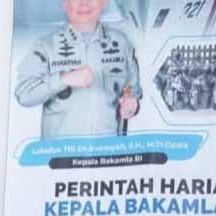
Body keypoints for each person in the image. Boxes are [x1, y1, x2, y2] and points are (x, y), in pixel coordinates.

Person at [15, 0, 141, 139]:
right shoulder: (46, 46)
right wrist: (63, 79)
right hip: (62, 150)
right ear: (65, 3)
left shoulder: (122, 43)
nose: (84, 3)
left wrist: (131, 102)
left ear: (103, 3)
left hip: (106, 149)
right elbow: (24, 95)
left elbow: (131, 89)